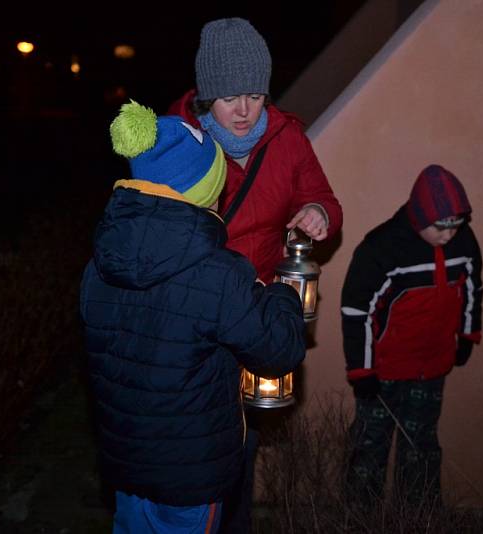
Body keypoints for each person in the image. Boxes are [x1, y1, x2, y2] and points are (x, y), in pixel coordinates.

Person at [79, 100, 306, 534]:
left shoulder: (99, 264)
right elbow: (278, 351)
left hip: (124, 465)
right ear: (204, 190)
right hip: (191, 477)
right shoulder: (218, 274)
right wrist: (281, 294)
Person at [168, 18, 343, 532]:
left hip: (250, 314)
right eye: (228, 97)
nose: (244, 111)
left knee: (241, 439)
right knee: (198, 439)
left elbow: (325, 198)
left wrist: (318, 214)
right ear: (206, 98)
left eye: (254, 94)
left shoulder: (288, 140)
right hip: (193, 316)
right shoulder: (177, 141)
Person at [341, 164, 483, 507]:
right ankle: (360, 521)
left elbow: (473, 289)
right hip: (383, 371)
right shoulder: (382, 248)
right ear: (420, 218)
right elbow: (356, 311)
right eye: (440, 227)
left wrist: (468, 334)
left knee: (420, 448)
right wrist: (362, 370)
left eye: (455, 225)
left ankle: (418, 518)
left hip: (432, 367)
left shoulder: (463, 242)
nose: (449, 235)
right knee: (369, 448)